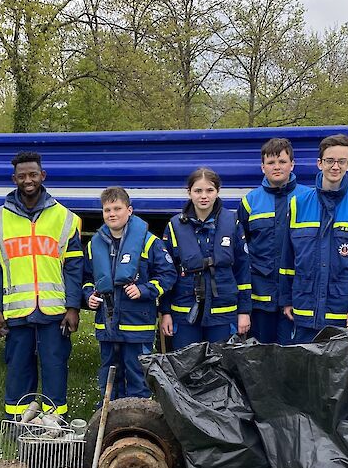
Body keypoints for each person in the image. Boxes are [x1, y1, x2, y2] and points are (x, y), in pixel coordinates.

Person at [0, 151, 84, 418]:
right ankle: (17, 425)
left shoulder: (65, 217)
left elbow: (75, 267)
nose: (28, 180)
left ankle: (54, 425)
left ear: (43, 176)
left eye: (33, 174)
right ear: (13, 178)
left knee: (55, 368)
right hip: (17, 312)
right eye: (22, 176)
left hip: (55, 313)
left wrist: (73, 306)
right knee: (18, 369)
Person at [278, 134, 348, 395]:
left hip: (342, 313)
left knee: (346, 381)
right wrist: (287, 299)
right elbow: (288, 261)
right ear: (319, 163)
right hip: (304, 309)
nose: (336, 167)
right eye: (330, 160)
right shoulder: (297, 204)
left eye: (341, 161)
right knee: (304, 378)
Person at [83, 187, 177, 400]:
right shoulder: (93, 245)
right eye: (107, 210)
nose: (112, 214)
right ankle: (111, 420)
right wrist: (89, 294)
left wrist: (144, 290)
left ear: (130, 210)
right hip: (107, 325)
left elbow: (168, 275)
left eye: (118, 208)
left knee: (138, 375)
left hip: (137, 323)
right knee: (109, 375)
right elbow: (87, 278)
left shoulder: (149, 242)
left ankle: (138, 421)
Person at [159, 167, 251, 349]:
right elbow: (166, 273)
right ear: (189, 192)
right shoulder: (174, 226)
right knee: (186, 365)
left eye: (209, 190)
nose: (204, 196)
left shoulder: (232, 223)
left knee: (222, 367)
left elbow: (242, 270)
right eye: (198, 191)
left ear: (218, 191)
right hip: (184, 310)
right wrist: (165, 312)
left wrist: (244, 311)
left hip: (223, 311)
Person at [240, 137, 297, 344]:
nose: (277, 167)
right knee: (260, 359)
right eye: (271, 162)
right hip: (260, 297)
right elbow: (241, 253)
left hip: (296, 295)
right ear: (262, 167)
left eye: (282, 161)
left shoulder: (308, 198)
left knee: (292, 358)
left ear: (292, 164)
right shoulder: (250, 201)